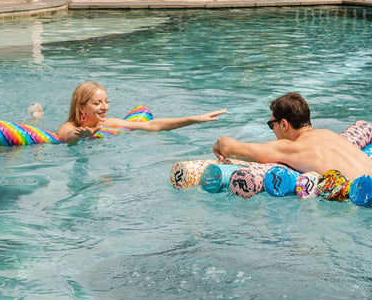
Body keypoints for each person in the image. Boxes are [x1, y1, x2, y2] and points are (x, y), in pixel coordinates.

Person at [212, 92, 372, 181]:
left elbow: (231, 149)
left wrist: (220, 141)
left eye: (271, 124)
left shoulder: (293, 147)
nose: (273, 131)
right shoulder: (329, 135)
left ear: (283, 124)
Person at [58, 82, 227, 144]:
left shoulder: (107, 123)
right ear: (81, 107)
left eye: (106, 101)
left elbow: (151, 125)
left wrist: (193, 119)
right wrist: (80, 136)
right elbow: (68, 136)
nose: (105, 107)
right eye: (97, 103)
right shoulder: (69, 126)